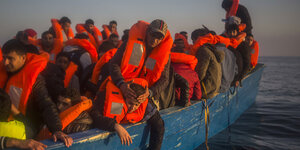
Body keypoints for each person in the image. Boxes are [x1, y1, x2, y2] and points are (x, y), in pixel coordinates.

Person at [0, 39, 73, 147]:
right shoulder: (3, 72)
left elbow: (46, 104)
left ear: (23, 58)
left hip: (25, 130)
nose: (5, 62)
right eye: (4, 58)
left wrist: (56, 129)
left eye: (10, 58)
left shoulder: (35, 81)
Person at [90, 78, 165, 149]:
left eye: (136, 105)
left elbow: (159, 124)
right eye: (130, 103)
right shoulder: (110, 99)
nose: (132, 108)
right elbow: (94, 116)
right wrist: (115, 125)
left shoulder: (143, 102)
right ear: (124, 96)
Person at [191, 29, 225, 99]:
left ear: (198, 39)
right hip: (214, 88)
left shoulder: (203, 50)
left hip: (206, 90)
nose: (193, 43)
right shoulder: (211, 49)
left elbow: (200, 74)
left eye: (193, 40)